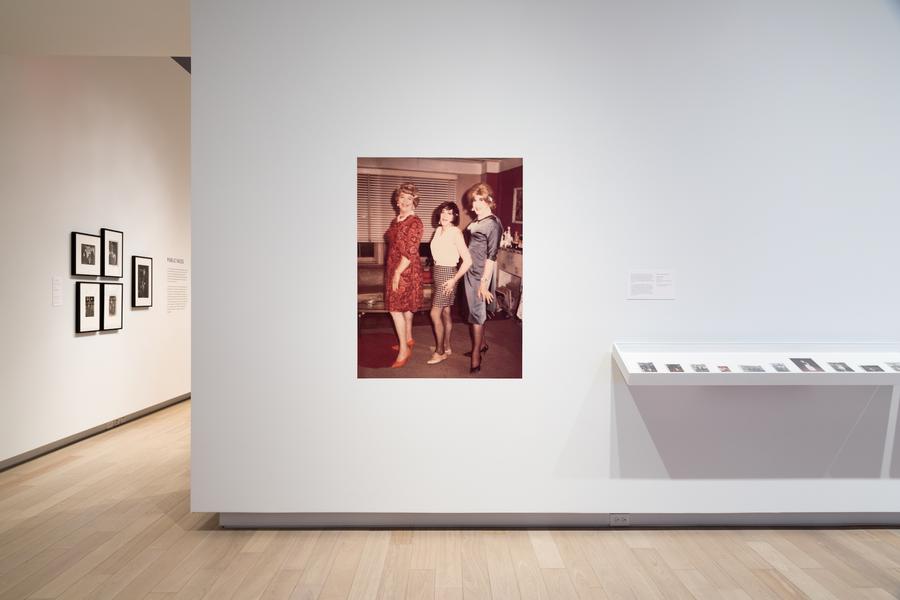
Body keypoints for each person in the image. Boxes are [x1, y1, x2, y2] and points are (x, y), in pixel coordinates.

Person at [463, 183, 502, 374]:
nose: (476, 204)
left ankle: (476, 354)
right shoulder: (478, 219)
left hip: (481, 275)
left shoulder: (493, 223)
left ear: (489, 201)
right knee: (475, 312)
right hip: (470, 272)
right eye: (475, 200)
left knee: (476, 315)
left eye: (481, 200)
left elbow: (492, 256)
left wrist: (484, 284)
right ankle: (483, 343)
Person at [426, 202, 472, 365]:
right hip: (438, 272)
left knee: (434, 314)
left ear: (455, 217)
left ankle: (440, 353)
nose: (445, 215)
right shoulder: (438, 230)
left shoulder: (455, 233)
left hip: (448, 275)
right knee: (445, 312)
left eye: (450, 213)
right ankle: (446, 347)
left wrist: (454, 280)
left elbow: (467, 261)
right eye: (443, 212)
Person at [384, 183, 424, 368]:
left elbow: (410, 251)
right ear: (397, 200)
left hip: (405, 270)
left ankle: (403, 350)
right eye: (402, 197)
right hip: (395, 267)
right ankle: (408, 339)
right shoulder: (397, 220)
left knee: (395, 309)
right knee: (406, 308)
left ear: (414, 202)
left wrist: (397, 273)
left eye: (410, 198)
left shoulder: (415, 222)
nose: (405, 201)